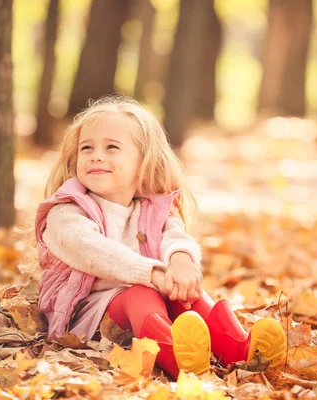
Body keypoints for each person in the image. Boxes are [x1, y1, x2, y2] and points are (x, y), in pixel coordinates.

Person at [34, 95, 286, 379]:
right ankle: (176, 357)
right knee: (142, 293)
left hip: (149, 300)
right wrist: (153, 274)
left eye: (112, 147)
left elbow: (175, 236)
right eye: (87, 148)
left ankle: (240, 350)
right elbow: (92, 250)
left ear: (143, 162)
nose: (96, 155)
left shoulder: (152, 208)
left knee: (188, 295)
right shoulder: (66, 212)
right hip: (87, 314)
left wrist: (180, 263)